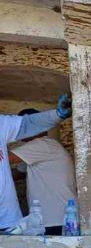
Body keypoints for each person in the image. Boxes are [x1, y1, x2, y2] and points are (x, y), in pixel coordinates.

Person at [0, 96, 72, 232]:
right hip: (53, 216)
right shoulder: (36, 153)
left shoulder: (42, 145)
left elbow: (6, 159)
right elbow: (17, 173)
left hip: (54, 216)